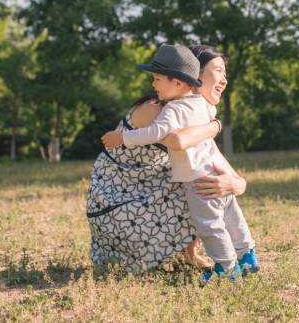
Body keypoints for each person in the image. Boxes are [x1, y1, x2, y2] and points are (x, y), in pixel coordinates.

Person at [101, 44, 259, 283]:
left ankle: (227, 268)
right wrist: (214, 126)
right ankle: (242, 257)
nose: (225, 80)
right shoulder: (160, 108)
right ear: (193, 76)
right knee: (219, 217)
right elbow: (177, 139)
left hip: (185, 180)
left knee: (211, 222)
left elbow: (201, 149)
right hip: (121, 195)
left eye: (225, 73)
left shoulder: (189, 108)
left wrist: (237, 183)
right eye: (218, 70)